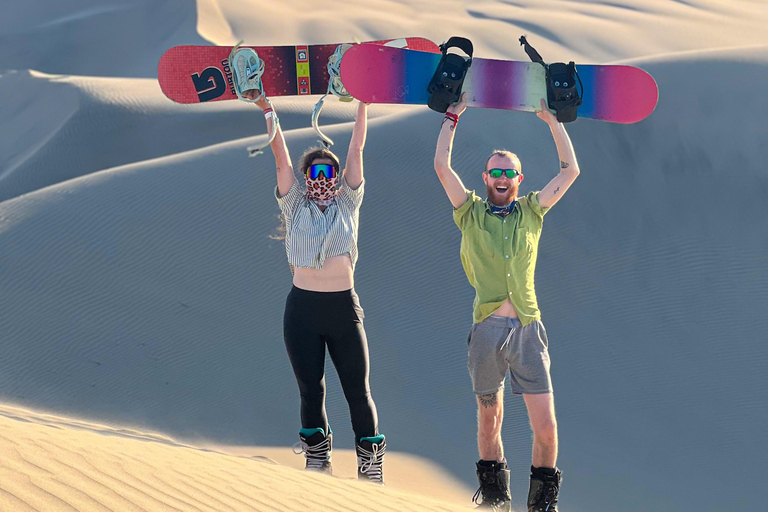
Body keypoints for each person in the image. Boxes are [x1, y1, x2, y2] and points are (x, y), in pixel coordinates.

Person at [434, 94, 580, 511]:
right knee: (489, 419)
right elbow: (442, 167)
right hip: (487, 331)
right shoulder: (470, 213)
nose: (502, 177)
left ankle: (542, 505)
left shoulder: (533, 211)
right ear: (485, 177)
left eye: (509, 172)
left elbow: (571, 171)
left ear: (519, 177)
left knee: (547, 428)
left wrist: (552, 122)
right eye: (495, 171)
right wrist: (452, 116)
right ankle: (495, 500)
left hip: (529, 332)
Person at [243, 85, 385, 484]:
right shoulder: (293, 203)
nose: (323, 177)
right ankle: (317, 461)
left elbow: (356, 150)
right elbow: (279, 155)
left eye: (330, 171)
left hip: (343, 309)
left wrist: (363, 103)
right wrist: (266, 107)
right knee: (311, 392)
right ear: (306, 178)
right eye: (316, 171)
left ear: (338, 177)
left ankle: (370, 467)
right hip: (302, 311)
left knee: (358, 391)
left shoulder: (348, 202)